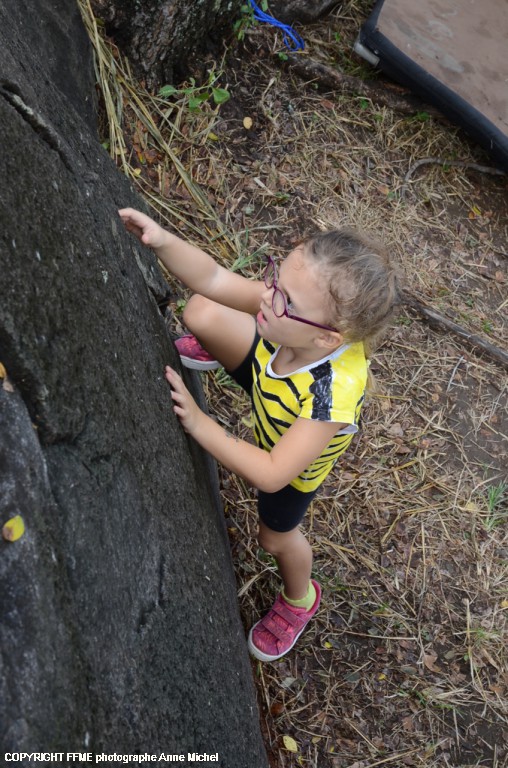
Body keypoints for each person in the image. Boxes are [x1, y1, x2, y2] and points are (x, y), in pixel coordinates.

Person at [119, 207, 399, 662]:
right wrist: (162, 239)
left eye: (286, 300)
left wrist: (200, 423)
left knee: (275, 540)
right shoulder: (288, 312)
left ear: (329, 339)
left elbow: (271, 472)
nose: (268, 298)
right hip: (270, 378)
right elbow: (214, 278)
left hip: (289, 464)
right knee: (202, 310)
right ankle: (222, 350)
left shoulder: (331, 395)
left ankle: (300, 599)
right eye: (274, 280)